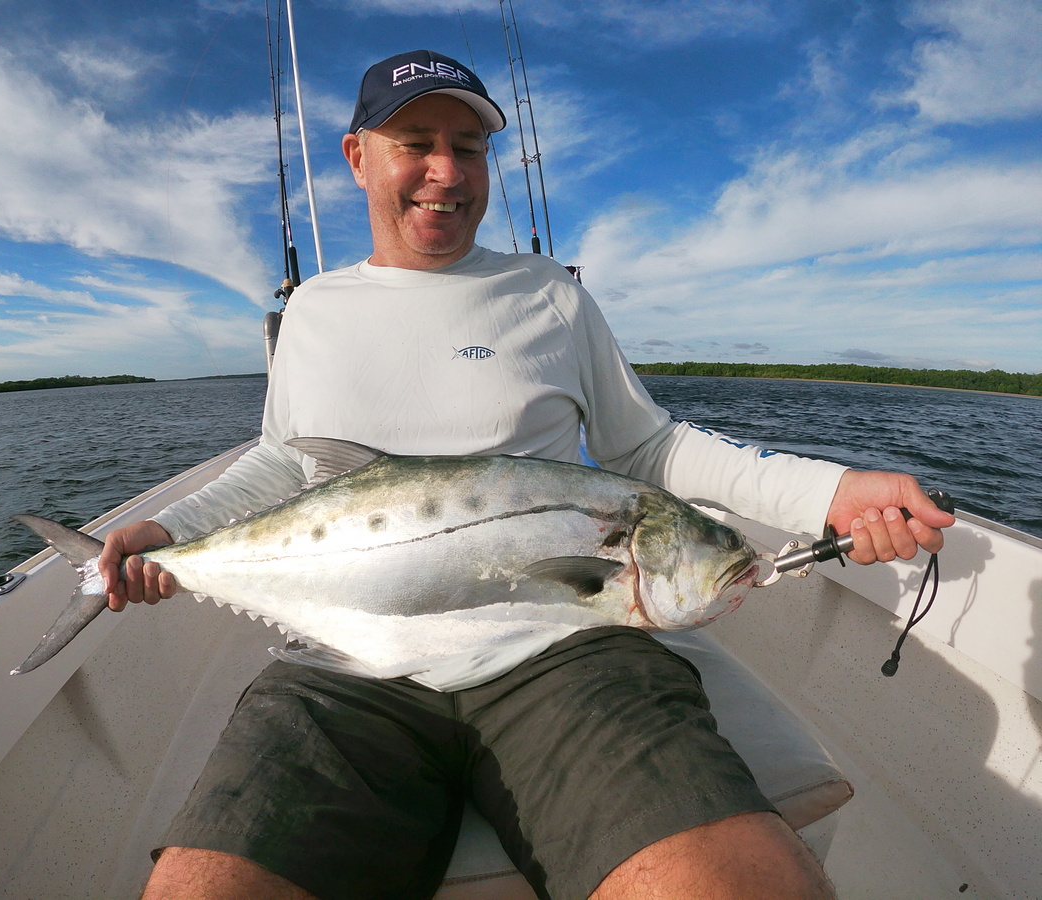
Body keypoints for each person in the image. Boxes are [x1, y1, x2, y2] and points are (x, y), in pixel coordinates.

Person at [101, 50, 953, 900]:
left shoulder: (549, 294)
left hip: (567, 653)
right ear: (358, 156)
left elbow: (649, 449)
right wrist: (171, 533)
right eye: (416, 142)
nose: (446, 171)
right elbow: (285, 459)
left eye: (468, 147)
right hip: (345, 659)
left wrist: (828, 491)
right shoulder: (316, 310)